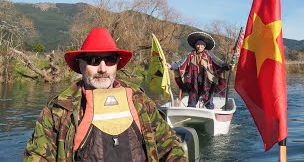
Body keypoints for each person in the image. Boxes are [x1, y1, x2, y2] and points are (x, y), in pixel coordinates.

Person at [23, 28, 187, 162]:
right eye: (93, 60)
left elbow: (169, 147)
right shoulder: (57, 110)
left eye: (110, 60)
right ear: (80, 65)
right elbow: (38, 156)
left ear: (116, 65)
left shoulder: (140, 101)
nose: (102, 68)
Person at [166, 31, 230, 109]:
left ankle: (210, 111)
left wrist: (227, 66)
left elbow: (219, 62)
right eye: (198, 45)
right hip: (193, 79)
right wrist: (171, 66)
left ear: (204, 46)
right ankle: (191, 111)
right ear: (195, 46)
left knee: (208, 99)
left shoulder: (209, 54)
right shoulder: (190, 54)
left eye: (202, 45)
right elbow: (181, 62)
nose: (200, 46)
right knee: (192, 99)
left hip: (207, 80)